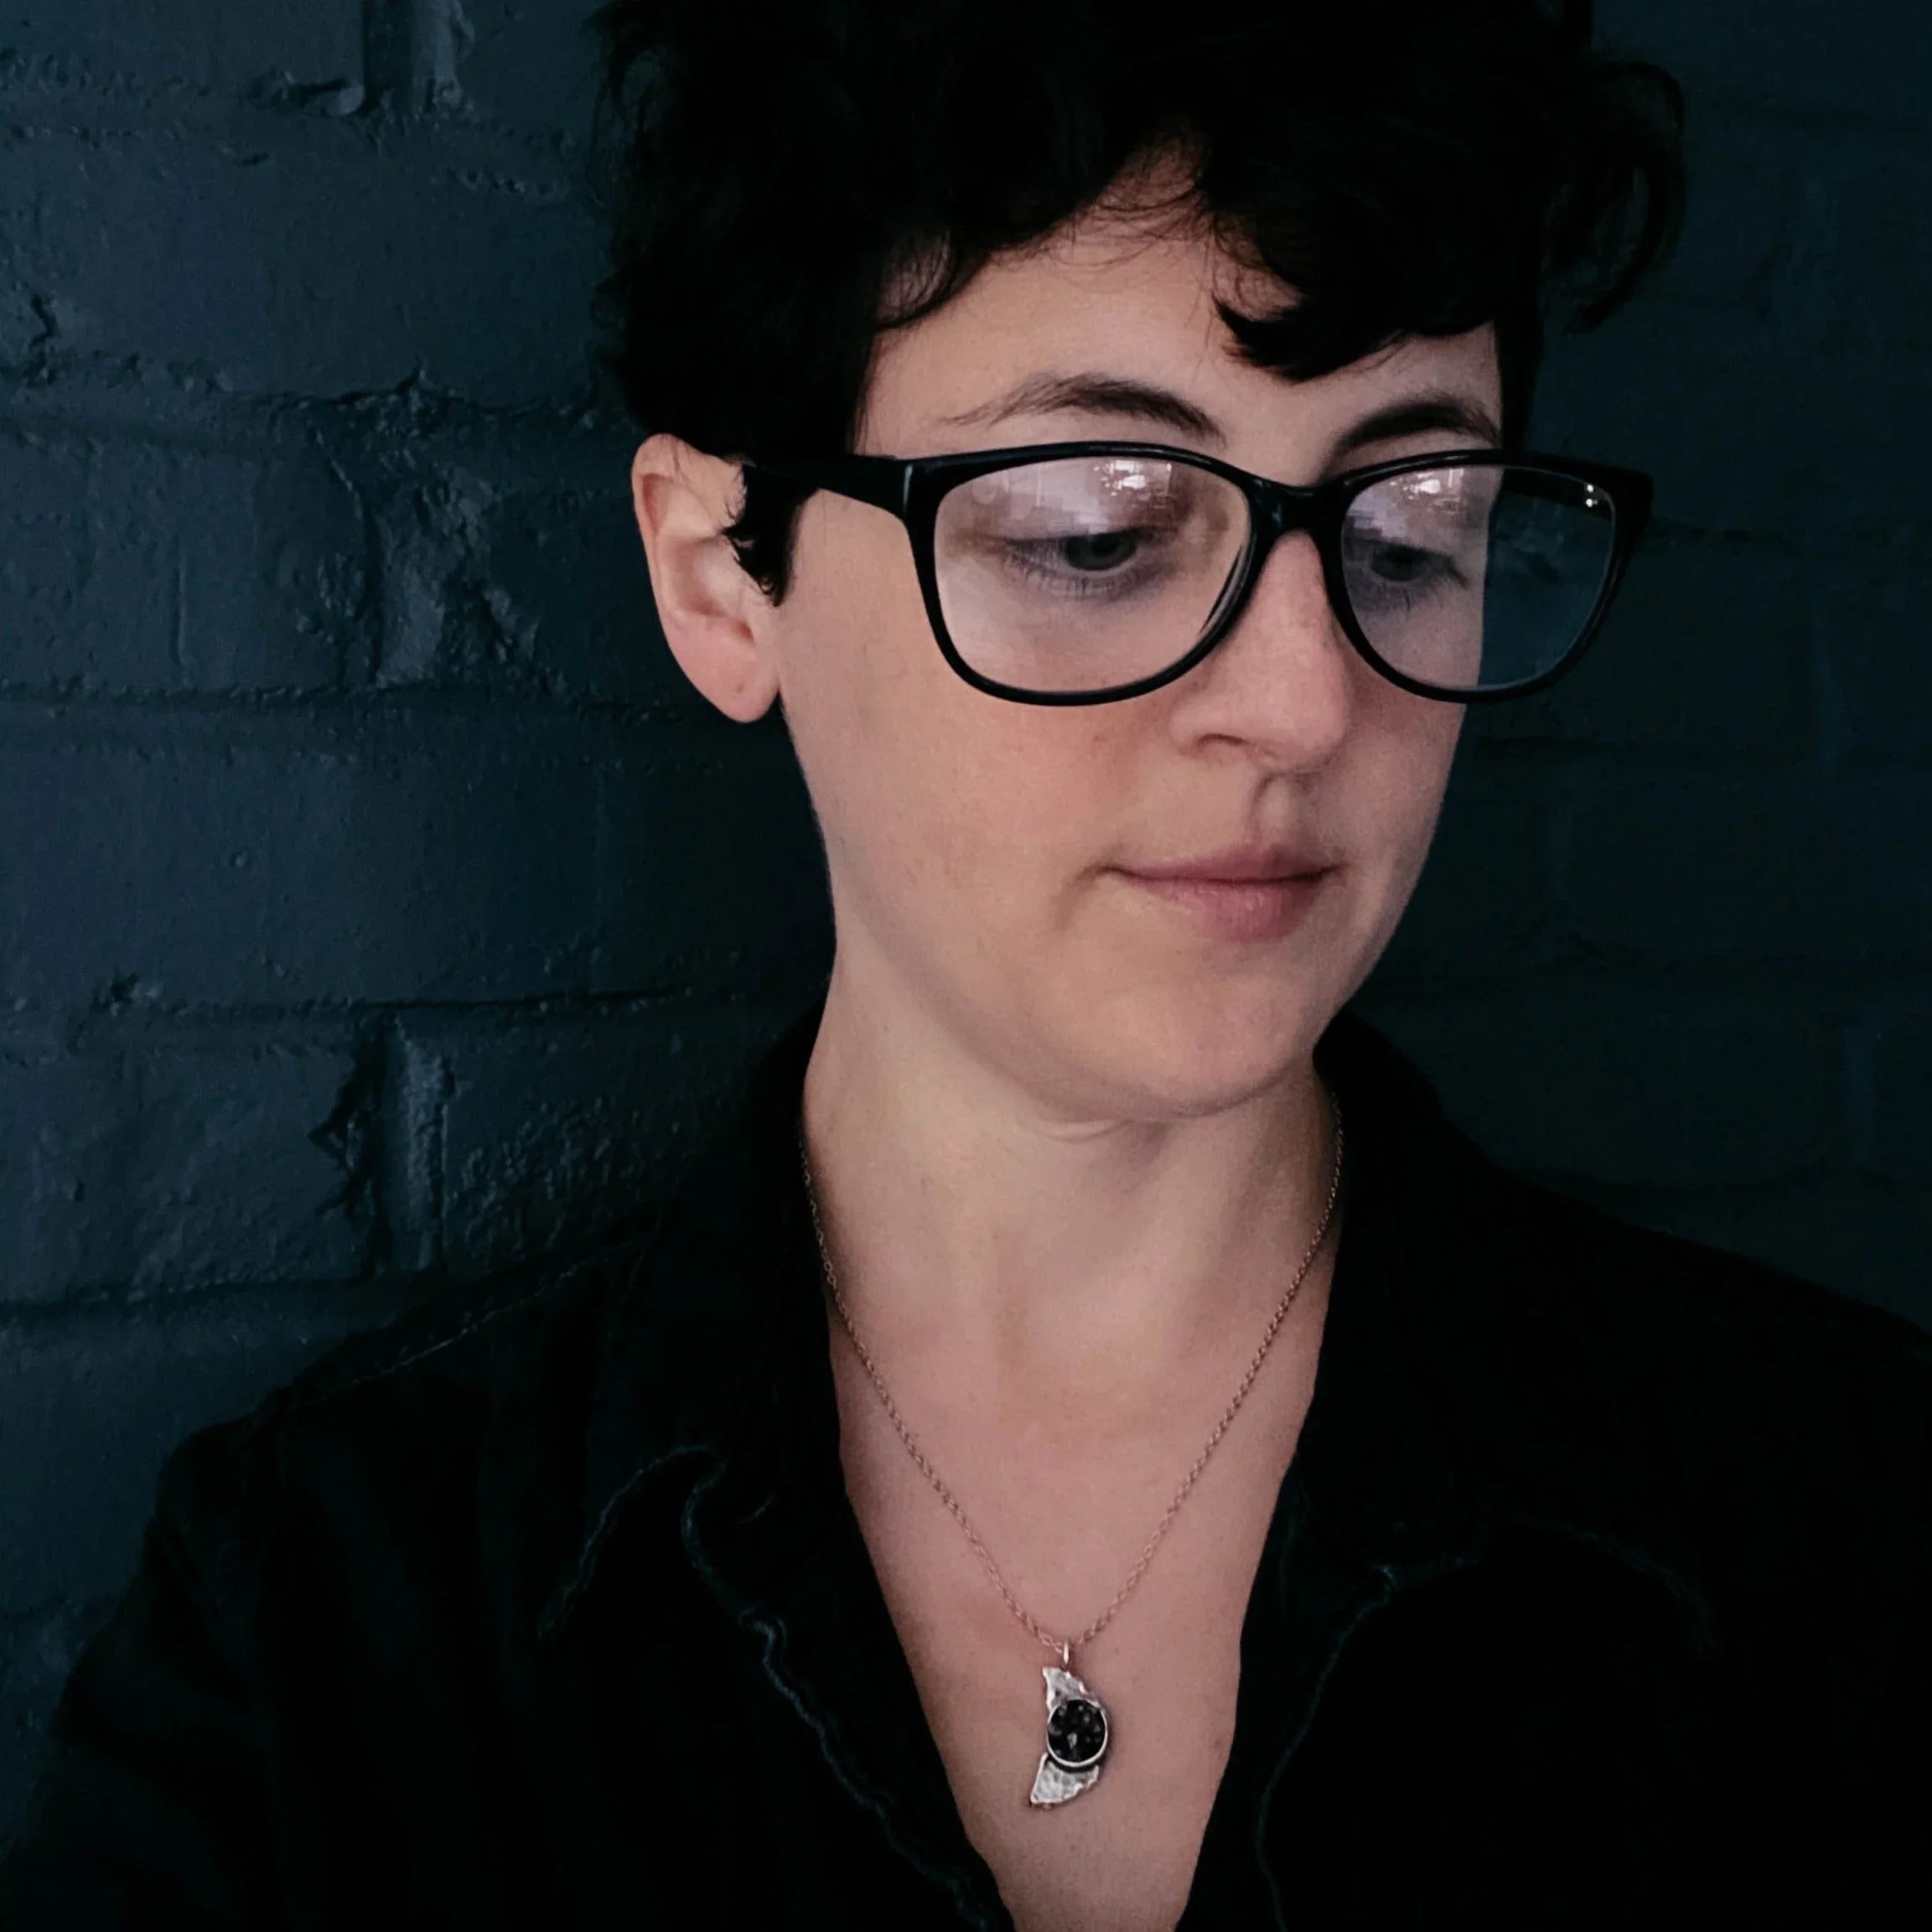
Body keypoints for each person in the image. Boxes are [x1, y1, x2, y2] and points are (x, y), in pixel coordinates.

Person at [4, 2, 1929, 1926]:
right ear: (716, 575)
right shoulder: (329, 1629)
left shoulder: (1841, 1531)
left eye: (1414, 534)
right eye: (1094, 536)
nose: (1302, 697)